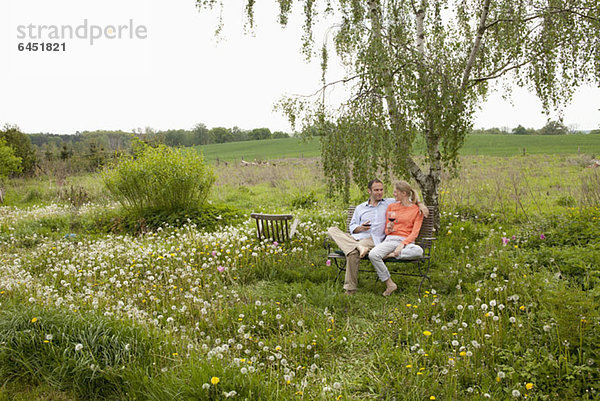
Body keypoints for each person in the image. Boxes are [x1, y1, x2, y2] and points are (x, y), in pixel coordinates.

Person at [327, 179, 428, 295]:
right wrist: (360, 228)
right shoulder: (360, 208)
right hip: (356, 237)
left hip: (372, 240)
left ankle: (350, 289)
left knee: (352, 252)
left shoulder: (389, 203)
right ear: (369, 191)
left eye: (381, 190)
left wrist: (420, 204)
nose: (380, 192)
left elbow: (408, 198)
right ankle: (359, 247)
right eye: (376, 190)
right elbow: (352, 226)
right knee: (331, 230)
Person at [368, 181, 425, 296]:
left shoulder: (416, 210)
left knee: (419, 251)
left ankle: (392, 254)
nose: (393, 194)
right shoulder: (392, 206)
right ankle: (389, 283)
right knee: (373, 255)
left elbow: (415, 233)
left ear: (403, 193)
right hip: (391, 239)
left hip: (407, 242)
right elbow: (387, 231)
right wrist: (389, 228)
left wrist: (402, 244)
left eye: (395, 192)